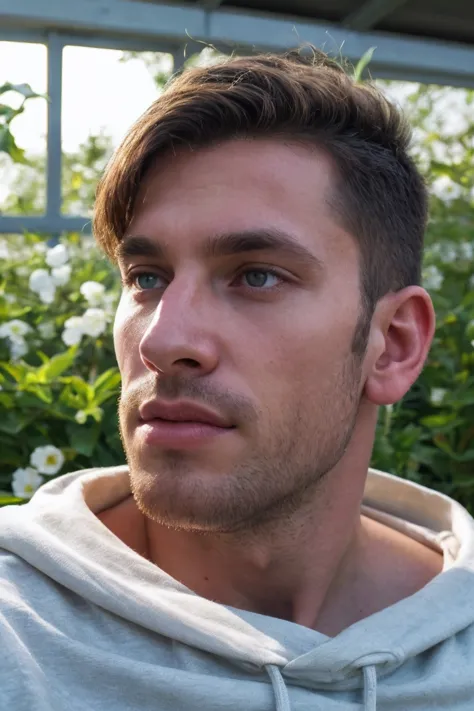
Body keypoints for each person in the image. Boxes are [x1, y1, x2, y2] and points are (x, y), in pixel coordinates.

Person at [1, 47, 473, 711]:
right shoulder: (18, 639)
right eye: (146, 278)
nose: (164, 340)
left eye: (257, 275)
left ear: (391, 345)